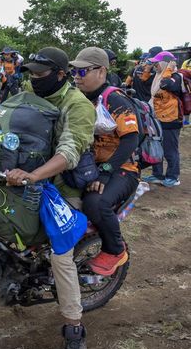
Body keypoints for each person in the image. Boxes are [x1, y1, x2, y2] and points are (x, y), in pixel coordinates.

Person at [0, 47, 96, 349]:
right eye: (31, 73)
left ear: (61, 74)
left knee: (61, 257)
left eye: (41, 74)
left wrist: (34, 176)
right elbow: (4, 131)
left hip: (60, 189)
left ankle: (74, 331)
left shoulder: (77, 106)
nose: (33, 79)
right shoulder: (28, 93)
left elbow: (70, 151)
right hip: (23, 182)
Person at [71, 47, 139, 276]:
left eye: (82, 72)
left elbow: (131, 140)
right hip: (90, 165)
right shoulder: (79, 97)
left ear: (101, 71)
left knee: (95, 203)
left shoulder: (115, 98)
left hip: (122, 169)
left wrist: (107, 172)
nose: (76, 77)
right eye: (74, 72)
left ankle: (115, 249)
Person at [143, 51, 184, 187]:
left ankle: (173, 176)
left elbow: (166, 85)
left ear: (165, 63)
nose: (155, 65)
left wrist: (169, 69)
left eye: (157, 63)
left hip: (171, 120)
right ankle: (157, 174)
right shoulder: (157, 76)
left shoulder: (176, 77)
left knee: (169, 150)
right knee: (156, 147)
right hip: (158, 118)